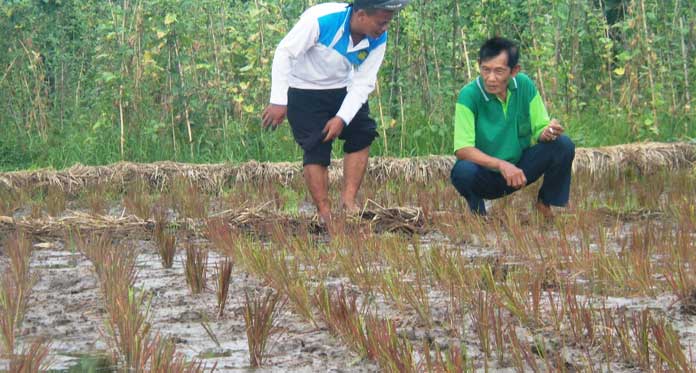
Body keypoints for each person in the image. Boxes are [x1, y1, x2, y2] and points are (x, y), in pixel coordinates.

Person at [261, 0, 410, 224]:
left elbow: (364, 82)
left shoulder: (378, 38)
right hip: (304, 90)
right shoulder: (320, 20)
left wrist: (342, 117)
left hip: (344, 88)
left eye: (387, 23)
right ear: (361, 15)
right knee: (316, 146)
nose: (384, 29)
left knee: (363, 133)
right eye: (381, 23)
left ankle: (348, 202)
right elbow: (285, 53)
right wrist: (279, 100)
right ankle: (324, 211)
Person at [450, 37, 575, 218]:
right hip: (486, 173)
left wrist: (547, 132)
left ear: (514, 71)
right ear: (478, 65)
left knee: (563, 145)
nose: (491, 78)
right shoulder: (468, 95)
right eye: (485, 70)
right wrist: (501, 165)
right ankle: (477, 213)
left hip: (519, 170)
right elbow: (462, 149)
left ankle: (544, 204)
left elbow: (540, 128)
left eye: (499, 71)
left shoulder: (524, 85)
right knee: (462, 171)